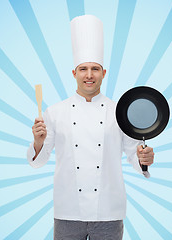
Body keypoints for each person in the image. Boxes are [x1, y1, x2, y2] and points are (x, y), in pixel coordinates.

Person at [27, 15, 154, 240]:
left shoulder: (120, 111)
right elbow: (40, 160)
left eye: (95, 69)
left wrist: (144, 159)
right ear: (74, 73)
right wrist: (37, 143)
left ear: (103, 73)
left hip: (109, 211)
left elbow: (134, 155)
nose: (89, 75)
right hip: (67, 210)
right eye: (83, 69)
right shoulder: (54, 112)